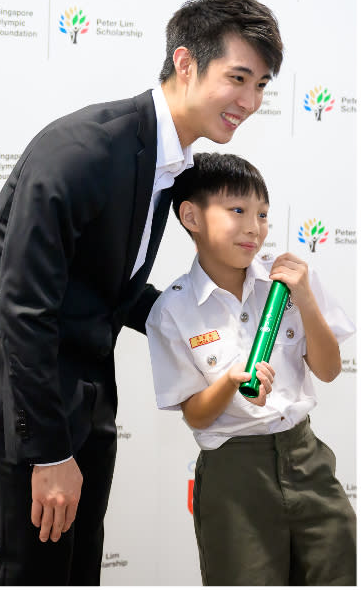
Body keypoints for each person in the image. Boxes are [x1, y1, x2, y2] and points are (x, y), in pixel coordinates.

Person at [0, 0, 284, 584]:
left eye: (261, 84)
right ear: (186, 63)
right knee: (38, 573)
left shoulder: (172, 160)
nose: (250, 101)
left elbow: (105, 284)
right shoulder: (85, 152)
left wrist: (193, 317)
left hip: (86, 393)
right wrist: (49, 453)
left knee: (81, 569)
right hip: (24, 399)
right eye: (238, 78)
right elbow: (23, 306)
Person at [146, 152, 355, 585]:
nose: (253, 227)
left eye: (262, 214)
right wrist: (229, 383)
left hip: (307, 460)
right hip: (233, 475)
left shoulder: (289, 281)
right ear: (192, 216)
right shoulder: (172, 309)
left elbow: (330, 369)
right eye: (237, 210)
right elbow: (195, 414)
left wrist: (306, 299)